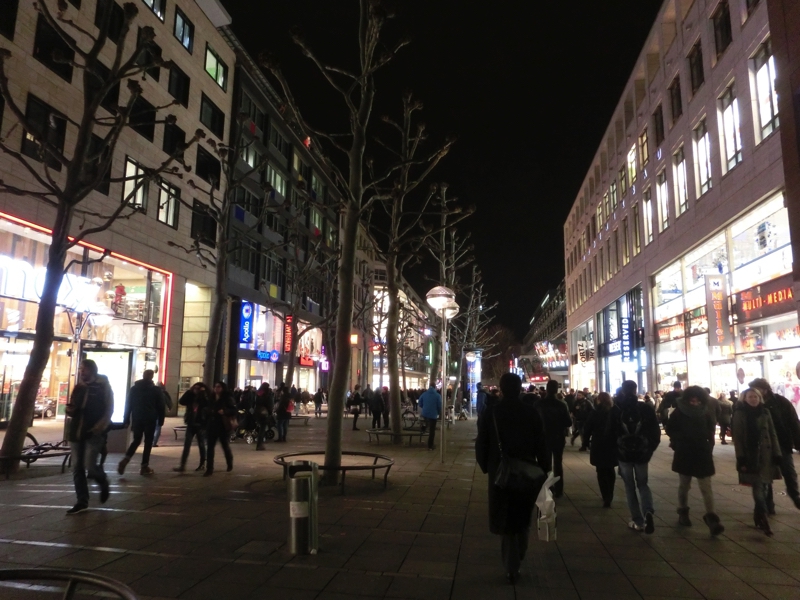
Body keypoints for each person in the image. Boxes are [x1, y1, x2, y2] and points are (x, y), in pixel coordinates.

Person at [476, 373, 550, 583]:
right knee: (522, 513)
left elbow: (482, 442)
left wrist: (486, 466)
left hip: (500, 470)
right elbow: (541, 443)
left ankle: (511, 564)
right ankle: (519, 552)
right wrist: (544, 468)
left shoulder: (492, 412)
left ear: (501, 388)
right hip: (526, 470)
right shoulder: (531, 412)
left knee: (504, 514)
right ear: (519, 389)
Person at [665, 386, 724, 535]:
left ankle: (712, 518)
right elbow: (670, 428)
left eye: (697, 400)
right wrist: (679, 439)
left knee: (706, 486)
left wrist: (709, 444)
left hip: (702, 452)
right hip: (684, 451)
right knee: (684, 484)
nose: (695, 403)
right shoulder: (679, 412)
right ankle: (683, 511)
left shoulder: (706, 411)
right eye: (692, 400)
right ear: (687, 399)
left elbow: (711, 429)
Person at [732, 387, 782, 535]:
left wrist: (777, 453)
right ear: (745, 398)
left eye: (756, 396)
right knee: (758, 487)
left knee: (765, 486)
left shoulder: (765, 412)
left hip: (767, 455)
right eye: (750, 397)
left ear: (760, 398)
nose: (753, 399)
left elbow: (772, 433)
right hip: (751, 456)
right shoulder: (740, 414)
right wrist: (741, 458)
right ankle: (764, 516)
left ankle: (758, 514)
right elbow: (738, 438)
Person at [65, 359, 112, 514]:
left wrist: (99, 427)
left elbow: (109, 409)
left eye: (83, 368)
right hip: (76, 432)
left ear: (92, 370)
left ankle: (102, 481)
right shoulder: (79, 387)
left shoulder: (102, 387)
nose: (81, 371)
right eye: (80, 369)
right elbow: (72, 406)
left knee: (90, 466)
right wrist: (70, 410)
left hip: (93, 432)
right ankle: (82, 500)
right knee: (77, 467)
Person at [616, 380, 661, 533]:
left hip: (624, 454)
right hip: (642, 453)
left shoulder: (617, 408)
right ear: (636, 390)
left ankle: (637, 520)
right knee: (643, 484)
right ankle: (648, 511)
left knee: (629, 487)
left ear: (623, 391)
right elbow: (655, 431)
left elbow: (610, 432)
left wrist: (616, 450)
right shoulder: (645, 408)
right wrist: (649, 449)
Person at [748, 378, 800, 511]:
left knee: (789, 472)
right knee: (766, 475)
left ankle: (795, 496)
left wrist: (797, 442)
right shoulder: (753, 404)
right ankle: (768, 504)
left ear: (765, 390)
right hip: (763, 446)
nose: (754, 393)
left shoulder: (781, 402)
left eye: (757, 389)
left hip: (782, 443)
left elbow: (794, 422)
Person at [118, 369, 165, 476]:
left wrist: (126, 420)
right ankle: (144, 466)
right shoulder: (156, 390)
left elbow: (128, 405)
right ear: (152, 377)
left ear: (143, 376)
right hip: (150, 419)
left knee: (136, 440)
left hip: (137, 419)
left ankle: (125, 459)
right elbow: (161, 406)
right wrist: (161, 420)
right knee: (148, 442)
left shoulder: (134, 389)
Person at [532, 380, 572, 497]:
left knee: (545, 463)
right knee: (558, 463)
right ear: (556, 390)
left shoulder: (538, 404)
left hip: (543, 437)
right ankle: (559, 489)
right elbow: (568, 422)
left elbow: (534, 421)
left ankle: (547, 487)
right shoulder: (561, 404)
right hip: (557, 436)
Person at [582, 392, 619, 507]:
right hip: (612, 444)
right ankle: (610, 494)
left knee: (601, 470)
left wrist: (585, 442)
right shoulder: (615, 411)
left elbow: (588, 428)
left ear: (599, 400)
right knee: (610, 470)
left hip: (598, 443)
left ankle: (605, 495)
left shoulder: (595, 412)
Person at [174, 382, 210, 472]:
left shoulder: (204, 398)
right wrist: (189, 391)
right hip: (191, 423)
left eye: (198, 388)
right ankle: (182, 465)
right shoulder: (190, 397)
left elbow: (208, 404)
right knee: (187, 445)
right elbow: (181, 401)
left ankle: (202, 464)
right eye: (194, 388)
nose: (195, 390)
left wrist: (203, 393)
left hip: (200, 424)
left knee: (201, 444)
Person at [204, 381, 235, 476]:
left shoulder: (227, 398)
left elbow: (234, 410)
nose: (216, 389)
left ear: (223, 388)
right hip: (212, 425)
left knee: (225, 445)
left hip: (222, 426)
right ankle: (209, 468)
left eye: (218, 387)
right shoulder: (211, 397)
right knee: (210, 447)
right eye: (215, 387)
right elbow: (206, 408)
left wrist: (224, 411)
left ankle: (229, 462)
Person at [418, 384, 442, 450]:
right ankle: (430, 445)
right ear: (435, 387)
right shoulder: (437, 395)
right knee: (432, 430)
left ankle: (424, 428)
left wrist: (424, 407)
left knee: (426, 424)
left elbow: (420, 403)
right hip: (433, 415)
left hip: (425, 413)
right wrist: (438, 412)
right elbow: (439, 406)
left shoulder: (424, 394)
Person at [255, 383, 274, 450]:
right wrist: (270, 412)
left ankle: (259, 443)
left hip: (258, 412)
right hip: (265, 413)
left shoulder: (258, 393)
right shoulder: (268, 394)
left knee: (261, 428)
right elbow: (270, 404)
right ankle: (260, 444)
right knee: (262, 429)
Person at [152, 382, 173, 447]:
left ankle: (150, 441)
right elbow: (169, 402)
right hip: (159, 412)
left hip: (152, 412)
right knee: (158, 427)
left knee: (152, 427)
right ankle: (154, 442)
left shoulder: (152, 392)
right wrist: (169, 407)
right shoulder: (164, 393)